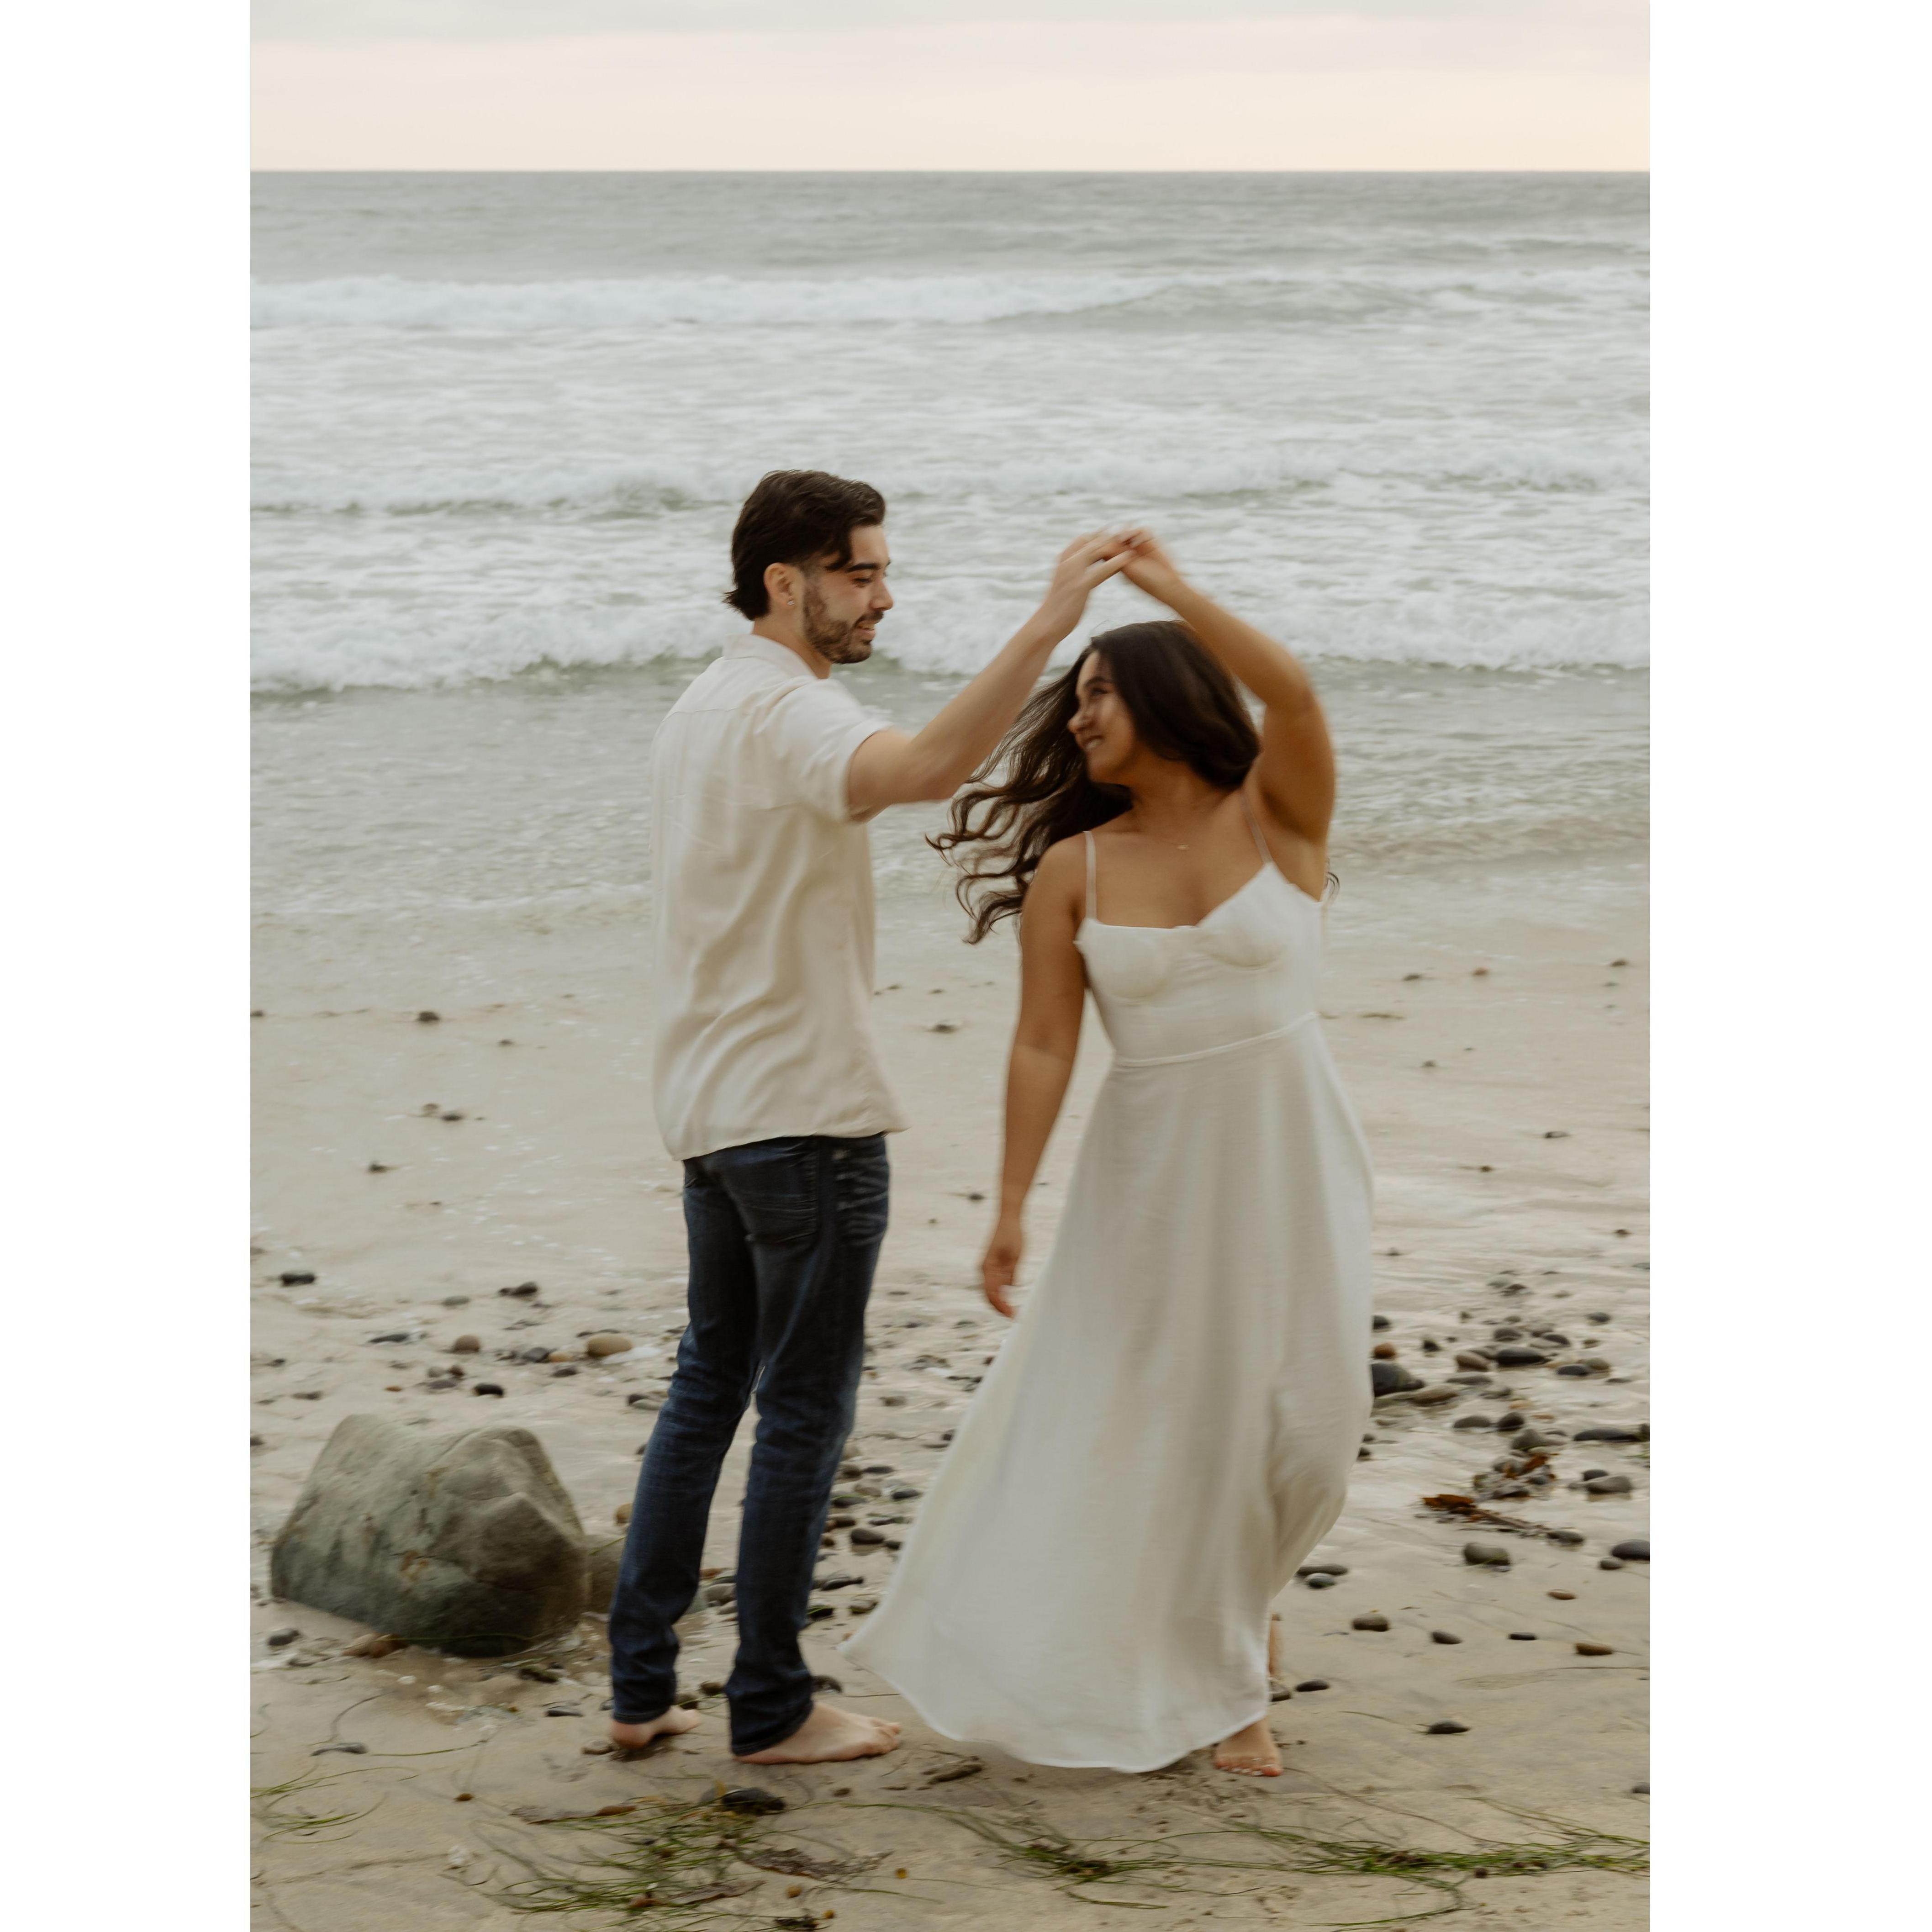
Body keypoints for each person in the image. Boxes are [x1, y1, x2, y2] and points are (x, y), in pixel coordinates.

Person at [606, 469, 1133, 1766]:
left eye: (884, 571)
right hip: (804, 1114)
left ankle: (639, 1688)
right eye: (859, 574)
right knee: (802, 1408)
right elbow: (932, 768)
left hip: (712, 1108)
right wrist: (1051, 622)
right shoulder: (789, 712)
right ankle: (774, 1706)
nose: (882, 596)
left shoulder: (699, 708)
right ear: (784, 582)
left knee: (708, 1386)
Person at [843, 532, 1374, 1777]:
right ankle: (1229, 1683)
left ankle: (1249, 1595)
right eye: (1073, 696)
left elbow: (1293, 694)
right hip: (1152, 1173)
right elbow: (1044, 1044)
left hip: (1293, 1151)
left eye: (1100, 692)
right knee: (1185, 1421)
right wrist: (1009, 1205)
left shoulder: (1278, 812)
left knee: (1311, 1424)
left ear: (1172, 699)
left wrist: (1167, 590)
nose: (1077, 717)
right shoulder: (1072, 869)